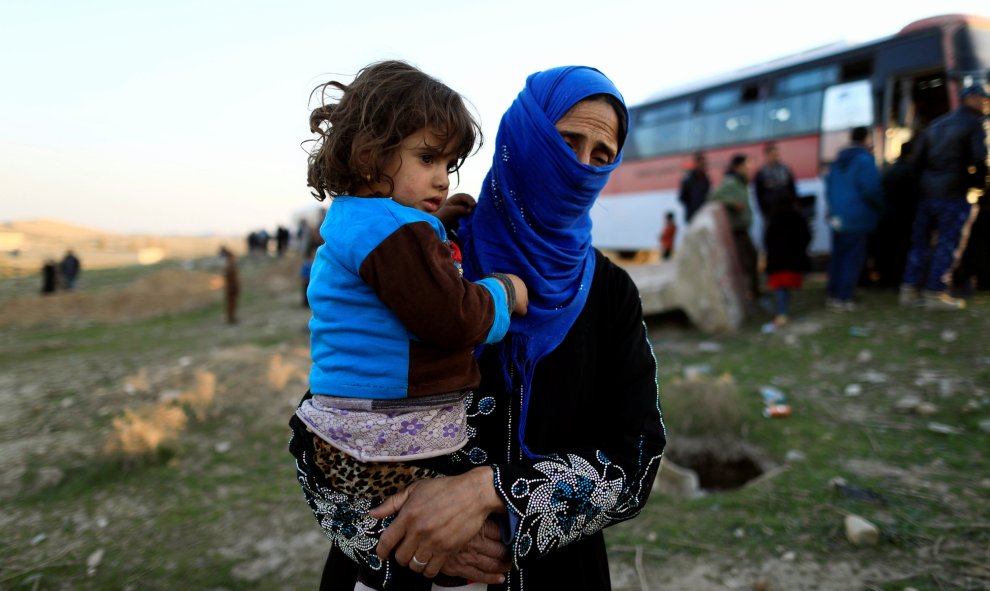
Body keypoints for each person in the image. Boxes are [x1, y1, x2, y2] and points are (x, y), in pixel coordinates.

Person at [292, 65, 666, 591]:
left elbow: (636, 458)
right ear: (524, 141)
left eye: (600, 156)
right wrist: (408, 537)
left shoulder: (610, 293)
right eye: (565, 142)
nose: (580, 166)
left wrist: (494, 494)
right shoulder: (422, 251)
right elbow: (326, 427)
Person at [289, 60, 530, 590]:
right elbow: (452, 318)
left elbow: (401, 280)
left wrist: (434, 224)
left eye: (449, 163)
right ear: (372, 156)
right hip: (387, 434)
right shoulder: (395, 235)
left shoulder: (363, 221)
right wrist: (503, 293)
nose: (442, 178)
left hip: (348, 429)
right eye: (427, 158)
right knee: (451, 545)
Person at [900, 84, 989, 310]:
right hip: (953, 193)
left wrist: (921, 189)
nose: (985, 103)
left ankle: (909, 291)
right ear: (971, 98)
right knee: (948, 243)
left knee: (920, 243)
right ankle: (935, 292)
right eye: (983, 98)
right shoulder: (973, 123)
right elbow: (980, 160)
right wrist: (978, 188)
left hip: (927, 195)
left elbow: (916, 163)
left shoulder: (936, 124)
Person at [824, 126, 882, 311]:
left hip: (837, 216)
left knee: (838, 256)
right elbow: (872, 189)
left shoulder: (836, 161)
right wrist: (880, 207)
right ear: (866, 139)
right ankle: (845, 297)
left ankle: (833, 295)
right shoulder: (864, 160)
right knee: (852, 258)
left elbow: (828, 188)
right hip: (857, 217)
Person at [709, 154, 759, 302]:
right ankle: (747, 294)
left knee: (752, 258)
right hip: (736, 230)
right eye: (745, 165)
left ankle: (754, 292)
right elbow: (712, 197)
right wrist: (732, 203)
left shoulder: (740, 182)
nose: (748, 168)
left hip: (743, 229)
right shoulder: (731, 182)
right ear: (738, 167)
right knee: (745, 262)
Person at [870, 140, 919, 289]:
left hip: (885, 216)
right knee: (900, 251)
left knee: (886, 251)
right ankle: (896, 281)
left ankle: (883, 280)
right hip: (904, 218)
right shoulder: (912, 172)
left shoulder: (889, 170)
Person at [763, 196, 811, 327]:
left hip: (777, 262)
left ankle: (782, 312)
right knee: (786, 287)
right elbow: (806, 236)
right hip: (793, 260)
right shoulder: (797, 218)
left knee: (780, 288)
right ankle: (783, 312)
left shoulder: (773, 220)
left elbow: (767, 240)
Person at [678, 151, 710, 223]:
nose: (703, 166)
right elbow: (682, 197)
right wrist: (692, 207)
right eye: (701, 163)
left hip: (704, 214)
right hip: (693, 215)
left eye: (704, 164)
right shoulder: (689, 179)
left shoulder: (705, 178)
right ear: (696, 163)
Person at [219, 247, 240, 324]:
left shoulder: (230, 264)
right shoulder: (230, 264)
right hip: (231, 287)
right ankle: (231, 318)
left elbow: (230, 276)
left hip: (232, 287)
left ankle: (231, 318)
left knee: (232, 304)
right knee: (231, 304)